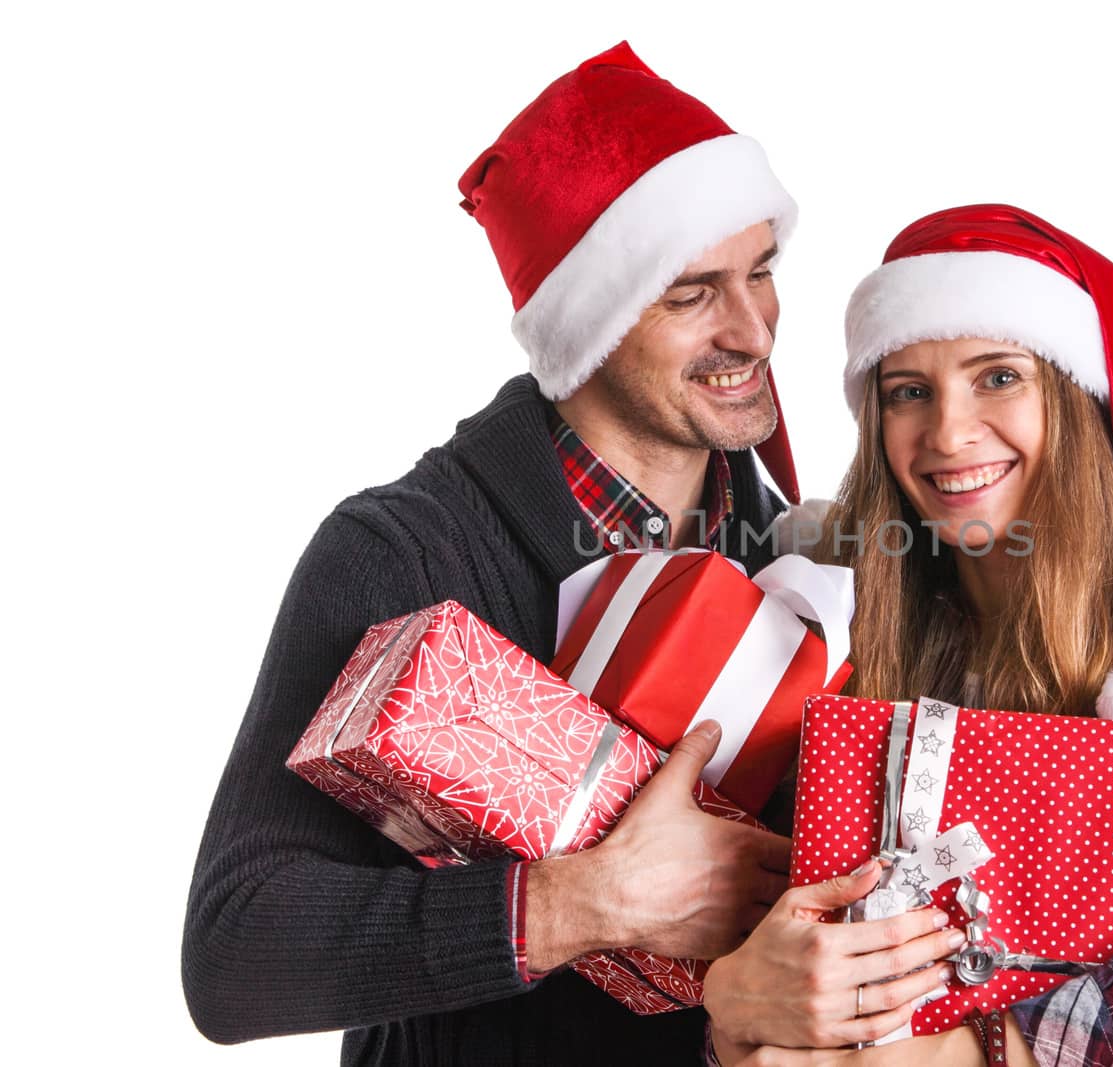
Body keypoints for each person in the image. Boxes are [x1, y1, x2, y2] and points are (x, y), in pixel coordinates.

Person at [183, 42, 807, 1065]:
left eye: (762, 271)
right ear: (593, 318)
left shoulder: (806, 559)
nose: (753, 328)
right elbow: (236, 951)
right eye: (692, 293)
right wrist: (588, 899)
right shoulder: (404, 553)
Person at [702, 205, 1113, 1065]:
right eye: (908, 392)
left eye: (997, 376)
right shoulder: (838, 668)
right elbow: (757, 955)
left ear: (1077, 405)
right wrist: (735, 1014)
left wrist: (971, 1052)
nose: (947, 432)